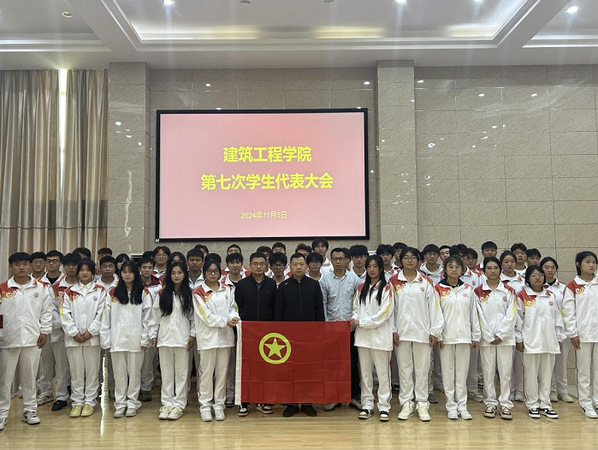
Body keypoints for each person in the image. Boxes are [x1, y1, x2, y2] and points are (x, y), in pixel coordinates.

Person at [390, 247, 443, 422]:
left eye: (413, 257)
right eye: (406, 257)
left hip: (423, 333)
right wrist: (393, 329)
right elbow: (390, 309)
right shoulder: (393, 281)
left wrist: (435, 331)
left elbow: (434, 307)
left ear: (419, 261)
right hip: (402, 333)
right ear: (401, 260)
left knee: (422, 370)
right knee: (404, 370)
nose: (410, 260)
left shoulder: (426, 282)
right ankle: (406, 403)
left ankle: (422, 402)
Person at [0, 252, 52, 431]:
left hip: (32, 339)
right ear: (11, 267)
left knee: (30, 378)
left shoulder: (41, 288)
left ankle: (30, 410)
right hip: (8, 340)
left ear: (29, 265)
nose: (21, 268)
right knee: (5, 380)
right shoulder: (3, 289)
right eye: (17, 264)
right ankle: (2, 413)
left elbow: (46, 311)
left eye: (24, 264)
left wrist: (44, 331)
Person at [275, 253, 325, 417]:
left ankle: (308, 402)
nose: (298, 267)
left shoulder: (314, 285)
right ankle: (291, 403)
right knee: (290, 370)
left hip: (310, 336)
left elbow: (319, 310)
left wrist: (320, 333)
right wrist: (280, 334)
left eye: (301, 264)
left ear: (306, 266)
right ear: (290, 266)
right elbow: (278, 313)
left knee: (308, 370)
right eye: (295, 264)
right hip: (288, 337)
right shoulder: (283, 286)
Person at [100, 261, 152, 418]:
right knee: (119, 374)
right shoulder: (113, 293)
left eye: (130, 272)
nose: (127, 275)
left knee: (134, 374)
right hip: (117, 339)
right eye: (124, 272)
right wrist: (106, 339)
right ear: (120, 274)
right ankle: (120, 403)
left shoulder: (143, 293)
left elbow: (148, 318)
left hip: (136, 340)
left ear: (136, 274)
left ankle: (132, 403)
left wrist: (145, 338)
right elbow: (105, 318)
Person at [193, 260, 239, 422]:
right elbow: (205, 316)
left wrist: (234, 317)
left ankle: (219, 405)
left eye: (215, 271)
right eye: (209, 271)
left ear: (220, 273)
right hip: (207, 339)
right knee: (206, 373)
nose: (213, 274)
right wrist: (225, 321)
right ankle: (205, 406)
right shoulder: (198, 292)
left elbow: (233, 307)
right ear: (204, 273)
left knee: (222, 373)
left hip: (225, 338)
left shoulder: (228, 289)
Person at [516, 265, 564, 419]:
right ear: (528, 278)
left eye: (540, 275)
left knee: (547, 375)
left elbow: (557, 318)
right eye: (534, 275)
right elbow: (518, 320)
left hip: (549, 342)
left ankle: (545, 404)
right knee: (531, 375)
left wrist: (559, 337)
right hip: (531, 342)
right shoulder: (522, 296)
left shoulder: (550, 295)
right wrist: (519, 339)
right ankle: (532, 404)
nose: (538, 278)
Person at [436, 256, 480, 420]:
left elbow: (473, 314)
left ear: (462, 270)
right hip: (446, 338)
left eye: (457, 267)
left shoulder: (468, 289)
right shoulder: (438, 289)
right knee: (448, 374)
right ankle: (451, 406)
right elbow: (436, 313)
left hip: (464, 337)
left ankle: (463, 405)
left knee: (462, 374)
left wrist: (475, 335)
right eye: (451, 266)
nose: (454, 270)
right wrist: (438, 335)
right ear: (445, 270)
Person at [60, 259, 106, 418]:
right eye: (82, 270)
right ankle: (77, 401)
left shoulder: (100, 290)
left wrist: (91, 332)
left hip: (92, 339)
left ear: (93, 272)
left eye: (88, 270)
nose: (84, 273)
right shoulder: (69, 292)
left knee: (92, 371)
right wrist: (73, 332)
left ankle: (90, 402)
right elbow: (64, 314)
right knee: (76, 372)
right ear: (77, 272)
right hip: (73, 339)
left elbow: (102, 313)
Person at [149, 261, 195, 420]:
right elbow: (155, 316)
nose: (176, 276)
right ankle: (167, 403)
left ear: (184, 275)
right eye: (173, 273)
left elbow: (193, 317)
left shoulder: (190, 294)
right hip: (165, 338)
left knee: (182, 373)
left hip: (183, 338)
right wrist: (153, 335)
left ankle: (179, 405)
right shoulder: (162, 293)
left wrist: (193, 334)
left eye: (179, 273)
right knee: (167, 373)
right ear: (169, 275)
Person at [351, 255, 393, 422]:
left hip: (381, 338)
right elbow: (355, 308)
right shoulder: (361, 287)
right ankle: (367, 404)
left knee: (383, 374)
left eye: (375, 266)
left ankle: (384, 406)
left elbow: (383, 314)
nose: (372, 269)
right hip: (362, 338)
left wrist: (361, 322)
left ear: (381, 269)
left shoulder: (387, 288)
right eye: (369, 266)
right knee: (365, 374)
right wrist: (355, 318)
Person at [234, 252, 277, 416]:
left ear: (266, 266)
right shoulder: (242, 285)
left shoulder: (272, 284)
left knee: (263, 368)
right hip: (246, 333)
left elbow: (274, 308)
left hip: (266, 334)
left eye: (261, 264)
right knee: (246, 368)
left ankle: (261, 400)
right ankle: (243, 402)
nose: (258, 267)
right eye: (255, 264)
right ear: (249, 265)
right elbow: (237, 308)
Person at [474, 257, 517, 420]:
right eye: (489, 268)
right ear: (484, 271)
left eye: (495, 268)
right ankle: (490, 402)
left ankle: (505, 404)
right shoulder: (478, 291)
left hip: (506, 339)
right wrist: (488, 335)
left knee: (505, 373)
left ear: (500, 270)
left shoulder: (509, 290)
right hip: (487, 340)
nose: (493, 271)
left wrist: (501, 334)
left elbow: (511, 314)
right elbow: (478, 315)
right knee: (488, 372)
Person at [320, 248, 361, 411]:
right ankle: (334, 397)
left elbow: (358, 303)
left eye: (341, 259)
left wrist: (354, 319)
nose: (338, 262)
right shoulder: (325, 280)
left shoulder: (354, 279)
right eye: (335, 259)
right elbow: (323, 304)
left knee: (352, 364)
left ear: (346, 260)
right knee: (332, 366)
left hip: (350, 330)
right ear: (331, 260)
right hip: (332, 331)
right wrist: (326, 325)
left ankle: (354, 396)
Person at [562, 251, 598, 418]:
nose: (591, 265)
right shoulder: (573, 286)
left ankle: (596, 400)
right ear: (578, 264)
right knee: (583, 370)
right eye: (587, 262)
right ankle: (585, 402)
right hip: (583, 335)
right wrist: (573, 333)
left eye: (594, 262)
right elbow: (568, 312)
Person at [46, 253, 80, 411]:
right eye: (68, 265)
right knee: (61, 366)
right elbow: (51, 309)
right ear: (63, 266)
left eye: (74, 265)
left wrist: (76, 328)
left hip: (80, 334)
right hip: (60, 333)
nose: (71, 268)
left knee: (78, 367)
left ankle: (78, 396)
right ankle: (60, 396)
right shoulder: (55, 288)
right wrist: (64, 325)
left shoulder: (86, 285)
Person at [541, 256, 574, 403]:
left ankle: (563, 390)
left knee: (561, 363)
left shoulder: (563, 288)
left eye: (552, 267)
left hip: (562, 331)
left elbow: (569, 309)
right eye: (546, 267)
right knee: (548, 364)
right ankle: (551, 390)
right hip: (544, 332)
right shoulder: (537, 288)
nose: (549, 270)